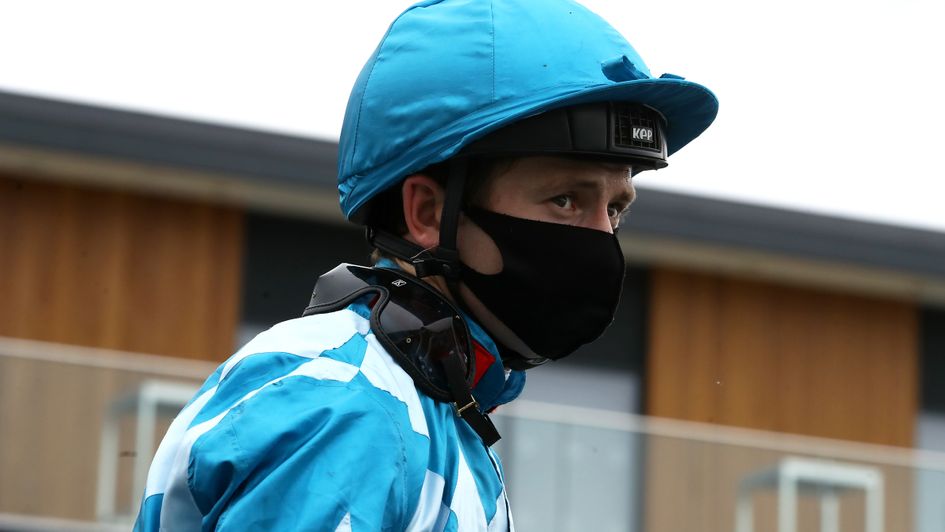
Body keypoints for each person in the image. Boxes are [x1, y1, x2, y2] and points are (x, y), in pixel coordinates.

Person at [135, 0, 717, 530]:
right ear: (428, 212)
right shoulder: (348, 411)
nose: (600, 241)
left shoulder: (436, 408)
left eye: (615, 210)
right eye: (564, 200)